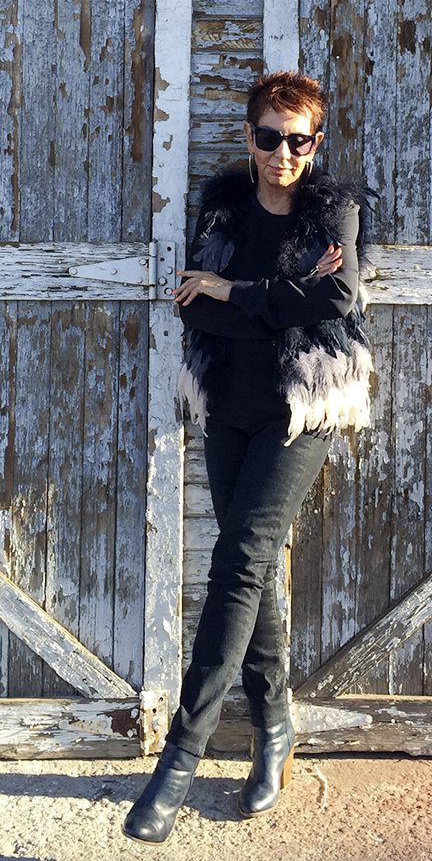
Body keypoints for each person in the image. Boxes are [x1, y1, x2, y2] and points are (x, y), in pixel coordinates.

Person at [122, 71, 374, 845]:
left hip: (304, 407)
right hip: (227, 405)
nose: (282, 153)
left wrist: (236, 294)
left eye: (299, 139)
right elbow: (197, 303)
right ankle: (276, 726)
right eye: (269, 136)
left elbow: (339, 303)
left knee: (235, 566)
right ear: (249, 136)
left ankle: (179, 760)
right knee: (249, 567)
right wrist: (275, 296)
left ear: (316, 141)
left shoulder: (337, 210)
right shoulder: (224, 205)